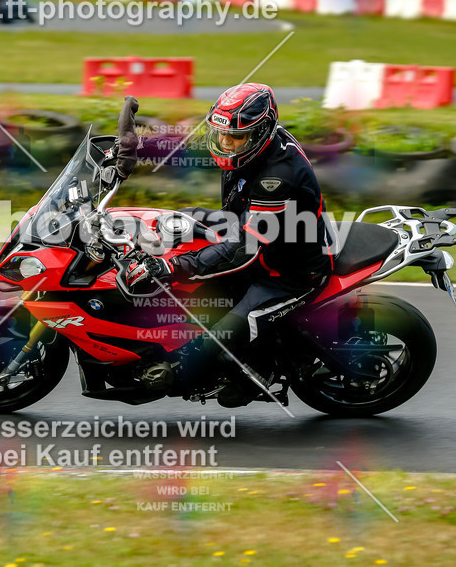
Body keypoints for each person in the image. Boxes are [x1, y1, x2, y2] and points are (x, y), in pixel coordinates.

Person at [129, 83, 334, 406]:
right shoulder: (254, 146)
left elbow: (245, 249)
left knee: (220, 340)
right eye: (220, 134)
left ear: (261, 131)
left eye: (235, 138)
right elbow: (178, 146)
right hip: (254, 230)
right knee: (174, 219)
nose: (225, 143)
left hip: (287, 271)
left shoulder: (277, 178)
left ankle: (258, 377)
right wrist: (129, 147)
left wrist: (175, 266)